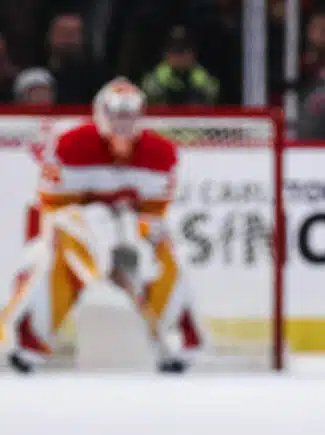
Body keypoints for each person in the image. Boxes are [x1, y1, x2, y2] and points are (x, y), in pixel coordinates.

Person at [0, 79, 205, 374]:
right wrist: (99, 235)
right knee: (50, 262)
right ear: (100, 114)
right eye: (116, 114)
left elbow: (155, 212)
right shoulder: (70, 145)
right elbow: (53, 206)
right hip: (75, 228)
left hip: (130, 225)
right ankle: (26, 341)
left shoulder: (160, 153)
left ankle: (175, 339)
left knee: (165, 259)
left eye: (129, 115)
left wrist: (131, 233)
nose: (122, 123)